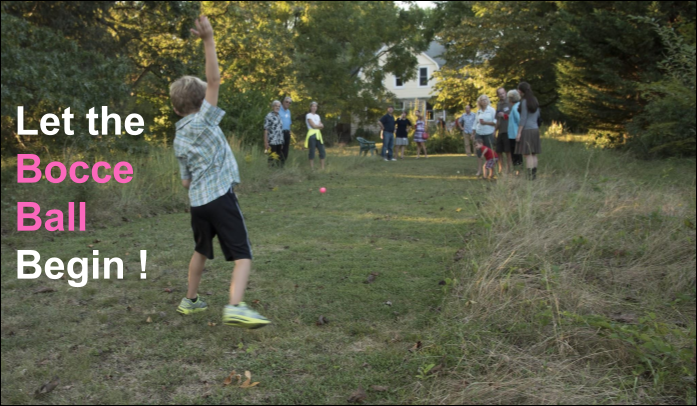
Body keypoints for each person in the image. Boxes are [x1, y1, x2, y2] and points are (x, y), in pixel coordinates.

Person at [171, 15, 269, 329]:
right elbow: (214, 81)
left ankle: (191, 300)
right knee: (243, 254)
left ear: (176, 108)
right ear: (202, 103)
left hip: (198, 204)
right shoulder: (204, 121)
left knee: (201, 250)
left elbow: (185, 180)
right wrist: (208, 40)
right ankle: (236, 305)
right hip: (219, 198)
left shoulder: (178, 137)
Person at [515, 82, 542, 180]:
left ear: (521, 90)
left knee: (527, 154)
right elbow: (538, 115)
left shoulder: (524, 101)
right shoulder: (535, 100)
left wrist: (519, 133)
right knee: (533, 154)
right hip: (535, 129)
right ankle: (534, 175)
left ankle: (529, 176)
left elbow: (523, 118)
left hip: (527, 129)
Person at [473, 95, 497, 177]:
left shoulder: (492, 110)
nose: (484, 101)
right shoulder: (478, 111)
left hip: (488, 133)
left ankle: (491, 171)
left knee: (489, 152)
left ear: (487, 100)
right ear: (479, 102)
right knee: (479, 152)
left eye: (485, 100)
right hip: (479, 133)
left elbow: (495, 122)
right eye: (482, 100)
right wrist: (473, 133)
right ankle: (479, 170)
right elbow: (475, 123)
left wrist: (486, 122)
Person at [494, 87, 512, 174]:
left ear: (506, 93)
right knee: (499, 151)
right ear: (498, 95)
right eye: (500, 94)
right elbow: (497, 119)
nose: (502, 95)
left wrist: (505, 115)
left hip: (508, 130)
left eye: (503, 93)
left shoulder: (510, 103)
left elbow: (513, 116)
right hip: (500, 131)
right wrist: (495, 130)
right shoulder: (498, 104)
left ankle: (508, 169)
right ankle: (501, 169)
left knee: (508, 151)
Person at [305, 101, 326, 170]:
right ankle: (312, 168)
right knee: (312, 151)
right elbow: (313, 125)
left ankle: (322, 168)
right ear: (310, 107)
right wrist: (318, 126)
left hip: (318, 135)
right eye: (312, 106)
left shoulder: (317, 116)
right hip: (312, 134)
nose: (314, 107)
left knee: (322, 150)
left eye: (315, 106)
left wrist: (318, 126)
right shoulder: (308, 115)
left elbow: (322, 125)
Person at [506, 89, 523, 174]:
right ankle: (518, 171)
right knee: (515, 154)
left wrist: (519, 133)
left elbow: (520, 120)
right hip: (513, 134)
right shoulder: (517, 106)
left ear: (510, 99)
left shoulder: (515, 107)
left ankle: (518, 172)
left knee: (516, 154)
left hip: (515, 134)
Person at [264, 100, 284, 166]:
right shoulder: (269, 116)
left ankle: (278, 173)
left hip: (279, 141)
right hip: (272, 141)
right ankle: (270, 173)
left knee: (279, 158)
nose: (277, 107)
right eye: (276, 106)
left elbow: (280, 129)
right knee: (271, 158)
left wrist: (282, 141)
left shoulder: (279, 116)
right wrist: (266, 142)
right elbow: (266, 130)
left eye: (279, 106)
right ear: (272, 107)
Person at [279, 96, 292, 163]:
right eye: (286, 102)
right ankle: (276, 165)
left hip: (287, 132)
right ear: (283, 102)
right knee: (279, 149)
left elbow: (289, 122)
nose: (288, 103)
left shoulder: (288, 111)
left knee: (286, 150)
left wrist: (290, 130)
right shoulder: (278, 109)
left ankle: (282, 165)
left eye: (289, 103)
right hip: (280, 132)